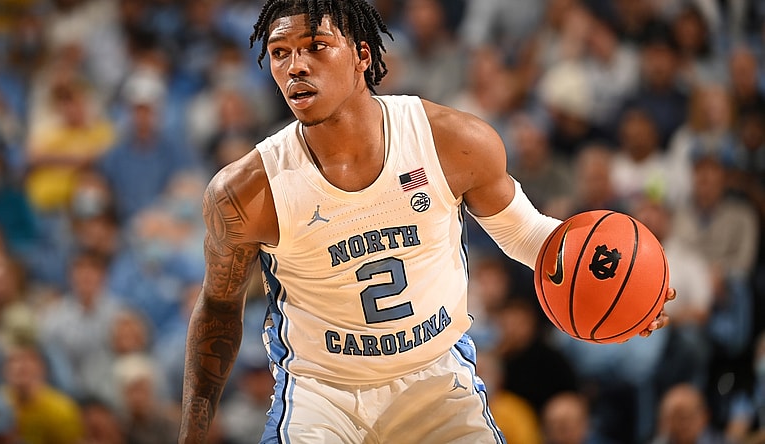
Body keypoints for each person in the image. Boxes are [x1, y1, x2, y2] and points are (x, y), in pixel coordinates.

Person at [178, 1, 676, 443]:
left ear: (362, 58)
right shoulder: (247, 191)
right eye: (280, 52)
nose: (295, 66)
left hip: (436, 381)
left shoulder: (451, 141)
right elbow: (219, 308)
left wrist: (627, 288)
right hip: (320, 395)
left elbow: (527, 234)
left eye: (316, 46)